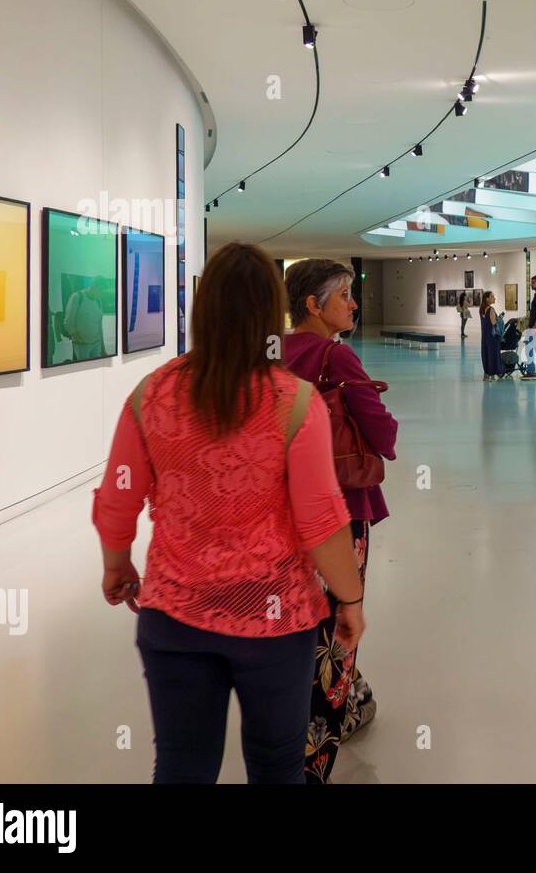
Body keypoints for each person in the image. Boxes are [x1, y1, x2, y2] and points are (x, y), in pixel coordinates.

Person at [92, 243, 365, 784]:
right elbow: (321, 521)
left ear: (202, 308)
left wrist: (116, 564)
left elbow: (117, 498)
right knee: (275, 766)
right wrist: (349, 600)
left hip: (175, 614)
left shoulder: (152, 395)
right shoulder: (294, 402)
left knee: (181, 767)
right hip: (276, 620)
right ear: (271, 314)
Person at [283, 259, 398, 784]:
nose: (353, 304)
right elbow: (381, 429)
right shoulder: (337, 355)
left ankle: (321, 703)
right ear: (314, 304)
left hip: (282, 508)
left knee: (301, 613)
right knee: (339, 619)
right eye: (344, 296)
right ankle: (322, 736)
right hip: (341, 508)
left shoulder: (273, 352)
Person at [63, 276, 108, 360]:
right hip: (82, 345)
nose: (102, 294)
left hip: (96, 344)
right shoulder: (77, 297)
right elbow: (68, 322)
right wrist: (78, 339)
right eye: (101, 290)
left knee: (96, 369)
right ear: (94, 286)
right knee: (84, 369)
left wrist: (103, 348)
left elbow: (99, 325)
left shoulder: (98, 301)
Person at [480, 290, 504, 380]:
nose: (495, 298)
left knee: (486, 353)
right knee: (493, 354)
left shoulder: (481, 309)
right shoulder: (491, 309)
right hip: (493, 336)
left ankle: (486, 374)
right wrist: (500, 318)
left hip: (485, 336)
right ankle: (492, 374)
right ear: (487, 299)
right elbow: (494, 323)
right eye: (492, 296)